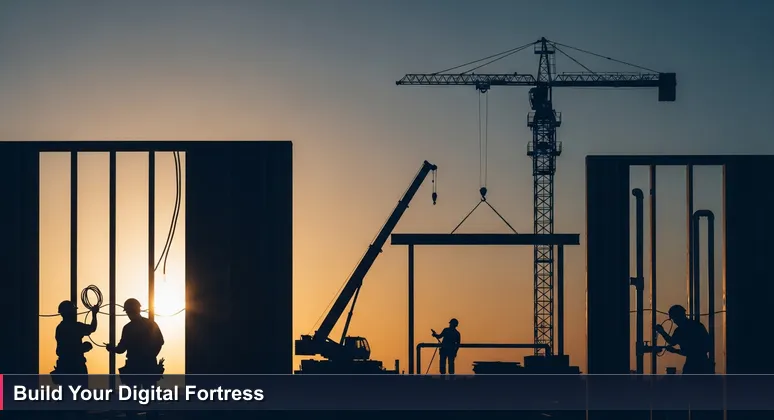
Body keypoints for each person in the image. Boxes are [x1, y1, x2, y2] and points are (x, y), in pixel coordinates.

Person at [105, 298, 165, 387]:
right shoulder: (150, 324)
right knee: (148, 394)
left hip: (135, 365)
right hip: (147, 365)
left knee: (135, 395)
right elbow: (160, 342)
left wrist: (111, 348)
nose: (129, 315)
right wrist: (151, 356)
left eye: (129, 312)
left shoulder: (128, 328)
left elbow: (121, 349)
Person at [51, 300, 99, 387]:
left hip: (64, 366)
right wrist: (94, 314)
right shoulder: (75, 326)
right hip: (76, 367)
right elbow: (92, 328)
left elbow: (65, 348)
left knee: (66, 395)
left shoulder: (60, 327)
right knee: (80, 395)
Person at [655, 304, 713, 374]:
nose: (674, 322)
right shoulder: (698, 326)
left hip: (693, 365)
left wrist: (662, 332)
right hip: (704, 364)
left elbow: (672, 342)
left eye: (674, 319)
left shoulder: (680, 330)